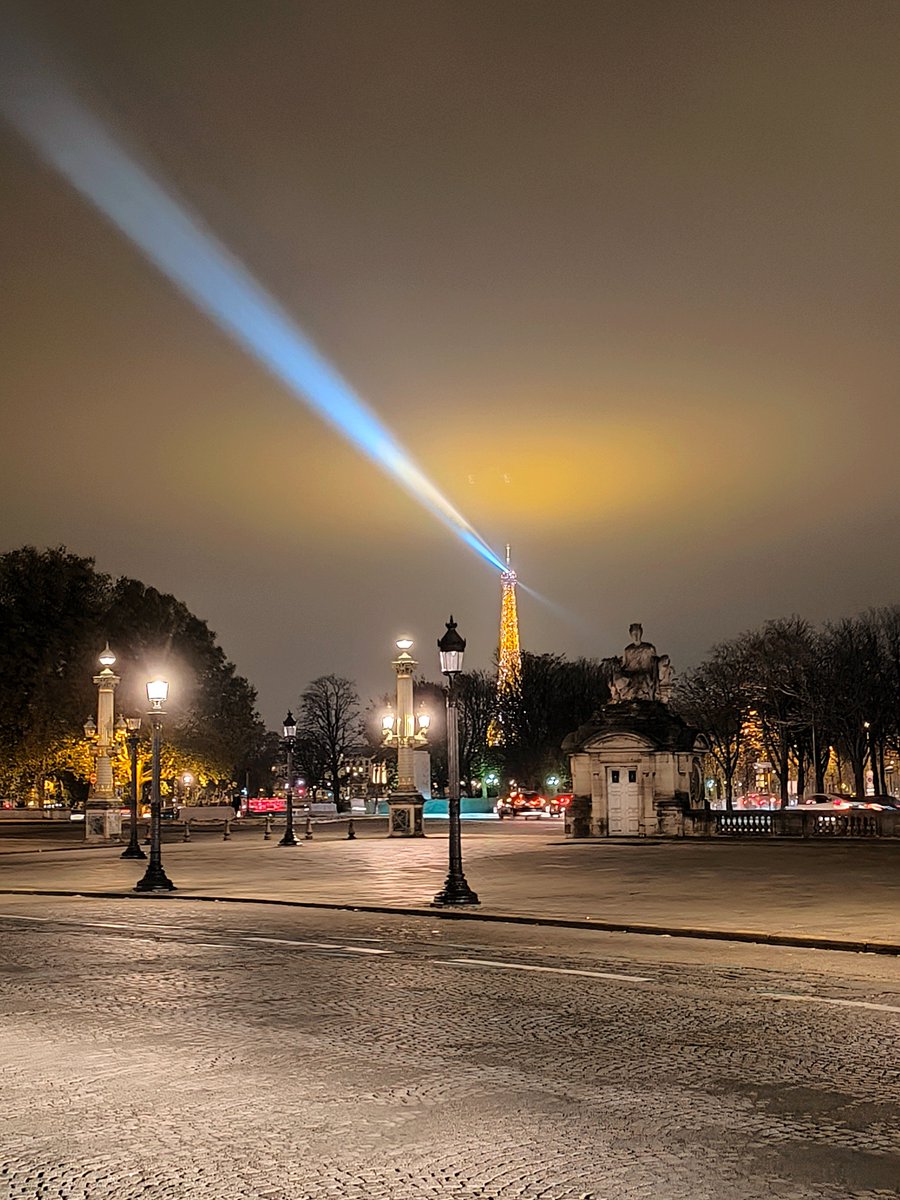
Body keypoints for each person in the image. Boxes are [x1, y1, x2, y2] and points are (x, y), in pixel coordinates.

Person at [618, 623, 659, 701]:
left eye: (638, 633)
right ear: (630, 635)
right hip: (631, 673)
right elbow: (624, 665)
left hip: (645, 673)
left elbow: (655, 661)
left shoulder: (648, 648)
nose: (636, 636)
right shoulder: (628, 650)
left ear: (641, 633)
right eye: (633, 634)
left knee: (641, 679)